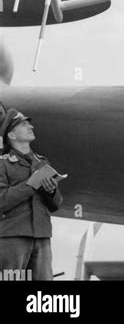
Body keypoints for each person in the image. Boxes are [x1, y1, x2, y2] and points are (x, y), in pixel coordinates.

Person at [0, 108, 63, 280]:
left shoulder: (42, 163)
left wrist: (51, 191)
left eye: (29, 123)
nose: (31, 127)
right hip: (13, 237)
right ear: (11, 135)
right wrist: (32, 185)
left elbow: (56, 205)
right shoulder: (2, 164)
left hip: (42, 237)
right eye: (23, 124)